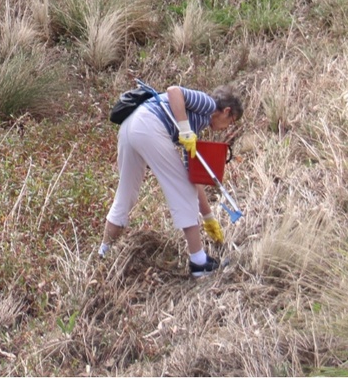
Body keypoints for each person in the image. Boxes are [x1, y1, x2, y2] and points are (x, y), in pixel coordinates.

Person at [99, 85, 244, 278]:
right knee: (183, 191)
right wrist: (184, 129)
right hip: (148, 124)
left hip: (130, 127)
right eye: (231, 122)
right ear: (226, 111)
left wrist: (208, 218)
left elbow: (190, 176)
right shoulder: (208, 104)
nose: (227, 127)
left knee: (126, 193)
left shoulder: (196, 126)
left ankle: (104, 253)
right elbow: (174, 91)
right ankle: (199, 263)